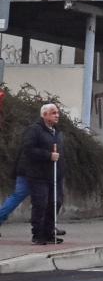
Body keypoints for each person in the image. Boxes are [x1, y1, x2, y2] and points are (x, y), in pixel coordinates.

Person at [15, 103, 64, 245]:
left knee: (55, 203)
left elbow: (60, 152)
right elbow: (28, 149)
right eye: (53, 113)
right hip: (38, 174)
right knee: (40, 204)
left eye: (57, 113)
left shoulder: (56, 131)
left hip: (54, 174)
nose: (57, 115)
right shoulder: (34, 130)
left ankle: (49, 232)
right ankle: (37, 234)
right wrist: (48, 155)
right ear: (45, 115)